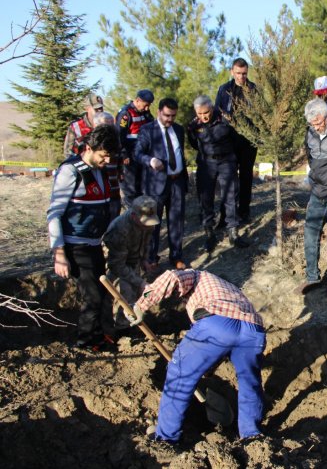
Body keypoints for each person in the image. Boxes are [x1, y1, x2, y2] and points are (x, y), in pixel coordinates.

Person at [131, 269, 266, 443]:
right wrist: (208, 369)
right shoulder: (229, 288)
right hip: (254, 332)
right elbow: (230, 337)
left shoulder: (196, 276)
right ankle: (251, 436)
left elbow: (172, 276)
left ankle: (165, 438)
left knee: (180, 373)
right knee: (249, 382)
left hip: (217, 322)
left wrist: (141, 305)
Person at [47, 124, 119, 350]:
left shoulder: (101, 170)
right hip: (75, 246)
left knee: (102, 293)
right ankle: (85, 342)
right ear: (89, 148)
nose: (107, 161)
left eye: (110, 157)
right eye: (103, 156)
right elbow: (54, 213)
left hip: (95, 245)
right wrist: (59, 254)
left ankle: (100, 335)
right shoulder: (70, 171)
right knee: (92, 297)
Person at [297, 98, 327, 297]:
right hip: (316, 193)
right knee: (310, 235)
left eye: (318, 123)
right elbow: (311, 158)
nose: (315, 128)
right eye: (312, 124)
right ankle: (312, 277)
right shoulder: (309, 133)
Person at [187, 95, 248, 250]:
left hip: (226, 161)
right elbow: (194, 143)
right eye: (199, 114)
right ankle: (209, 235)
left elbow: (237, 140)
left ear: (212, 108)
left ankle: (233, 233)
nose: (203, 116)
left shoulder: (225, 120)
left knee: (230, 197)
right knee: (205, 198)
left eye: (205, 112)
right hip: (206, 164)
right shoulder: (193, 125)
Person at [135, 98, 188, 270]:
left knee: (176, 221)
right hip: (155, 185)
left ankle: (176, 257)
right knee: (153, 223)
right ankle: (151, 258)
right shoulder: (147, 130)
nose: (169, 119)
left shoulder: (179, 129)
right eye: (166, 115)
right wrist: (150, 160)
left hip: (177, 182)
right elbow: (137, 153)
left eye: (173, 116)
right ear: (158, 112)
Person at [102, 195, 159, 331]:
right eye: (144, 223)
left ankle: (130, 325)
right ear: (134, 216)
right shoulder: (119, 229)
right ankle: (120, 330)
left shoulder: (147, 223)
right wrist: (140, 282)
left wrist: (144, 260)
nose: (148, 226)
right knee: (124, 297)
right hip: (116, 265)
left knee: (135, 296)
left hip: (133, 260)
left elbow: (145, 242)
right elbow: (116, 265)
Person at [215, 57, 257, 225]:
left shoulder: (253, 89)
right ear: (232, 72)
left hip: (247, 141)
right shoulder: (224, 89)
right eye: (238, 73)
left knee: (246, 178)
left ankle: (244, 212)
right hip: (229, 140)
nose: (241, 77)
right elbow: (218, 112)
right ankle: (225, 214)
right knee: (227, 178)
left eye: (244, 73)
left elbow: (259, 115)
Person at [117, 89, 155, 210]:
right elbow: (119, 136)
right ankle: (132, 214)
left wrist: (148, 114)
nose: (146, 108)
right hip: (129, 156)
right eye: (145, 105)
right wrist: (124, 155)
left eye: (149, 105)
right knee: (131, 189)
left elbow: (151, 126)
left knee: (142, 187)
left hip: (141, 154)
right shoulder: (126, 114)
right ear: (138, 101)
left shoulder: (144, 113)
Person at [93, 112, 123, 220]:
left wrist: (121, 171)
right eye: (107, 126)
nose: (111, 130)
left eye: (112, 126)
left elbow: (120, 161)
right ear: (96, 126)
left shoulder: (116, 142)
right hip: (96, 195)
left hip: (114, 192)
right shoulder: (91, 145)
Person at [63, 92, 104, 158]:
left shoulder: (106, 124)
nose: (99, 111)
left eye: (101, 108)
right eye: (96, 109)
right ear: (87, 109)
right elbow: (68, 152)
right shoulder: (76, 126)